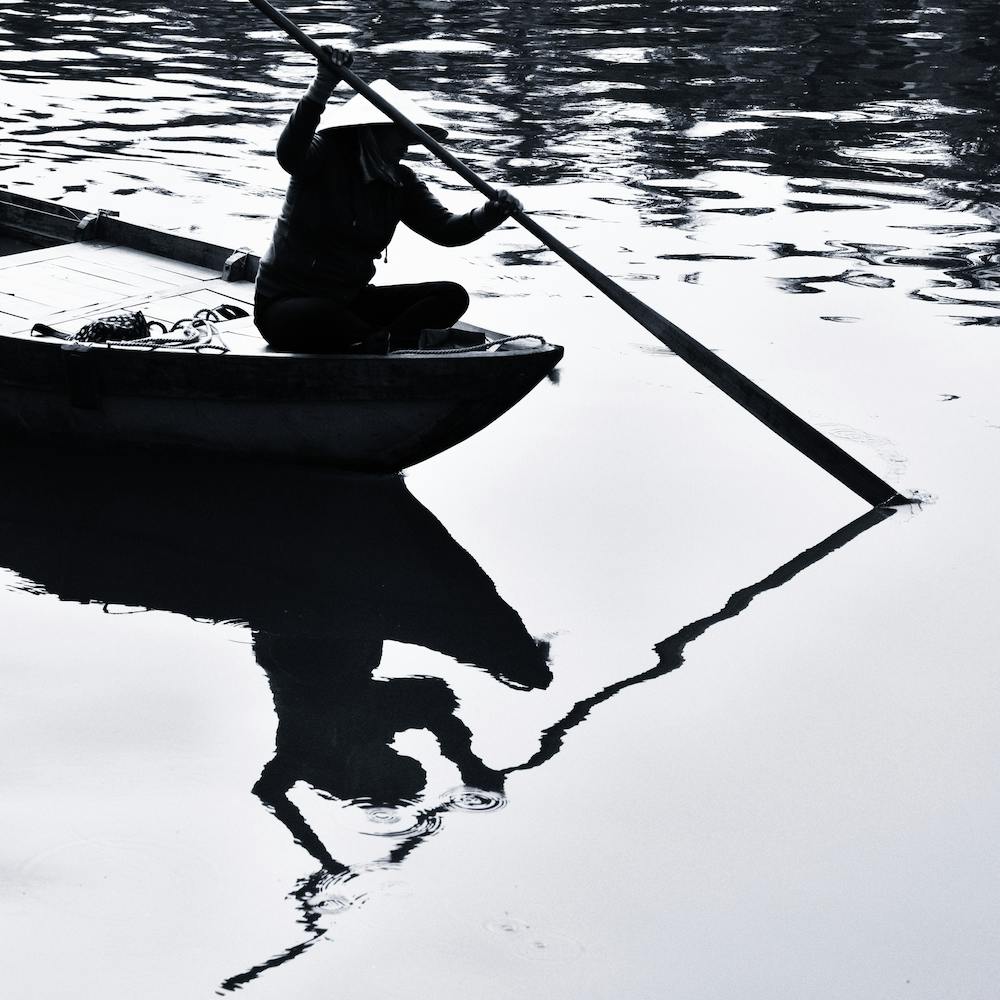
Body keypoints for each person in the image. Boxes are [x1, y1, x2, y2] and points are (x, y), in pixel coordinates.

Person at [254, 48, 523, 353]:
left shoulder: (400, 181)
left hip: (351, 299)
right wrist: (322, 85)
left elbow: (446, 229)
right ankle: (379, 342)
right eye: (400, 137)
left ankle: (388, 344)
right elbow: (289, 152)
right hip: (286, 304)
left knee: (451, 296)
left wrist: (491, 213)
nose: (406, 148)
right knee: (332, 318)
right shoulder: (324, 154)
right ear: (373, 133)